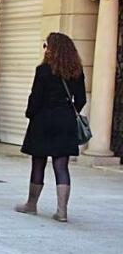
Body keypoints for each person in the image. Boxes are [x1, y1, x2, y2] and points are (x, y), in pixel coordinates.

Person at [15, 32, 87, 222]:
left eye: (46, 46)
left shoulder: (44, 70)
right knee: (61, 165)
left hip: (43, 120)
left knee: (38, 162)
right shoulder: (76, 70)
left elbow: (35, 97)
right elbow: (81, 99)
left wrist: (30, 113)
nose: (44, 49)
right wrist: (68, 112)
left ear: (52, 49)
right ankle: (62, 211)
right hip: (65, 121)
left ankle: (31, 204)